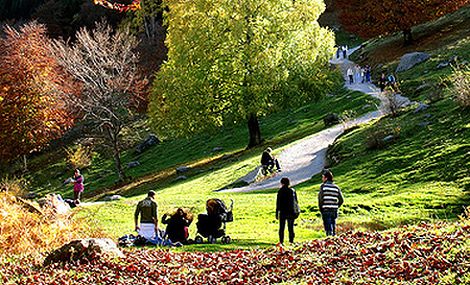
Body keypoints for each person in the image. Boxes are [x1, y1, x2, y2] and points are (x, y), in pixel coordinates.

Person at [318, 170, 344, 236]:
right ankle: (333, 239)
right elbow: (341, 200)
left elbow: (320, 199)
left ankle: (329, 239)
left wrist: (321, 208)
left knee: (328, 228)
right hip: (334, 210)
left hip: (326, 210)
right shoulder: (336, 187)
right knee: (333, 226)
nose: (322, 179)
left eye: (323, 177)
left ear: (326, 178)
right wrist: (336, 206)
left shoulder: (323, 187)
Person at [276, 177, 299, 244]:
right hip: (291, 212)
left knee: (282, 228)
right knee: (291, 228)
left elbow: (278, 203)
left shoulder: (280, 191)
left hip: (283, 212)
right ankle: (291, 240)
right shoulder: (292, 191)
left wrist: (277, 213)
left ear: (282, 183)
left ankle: (281, 241)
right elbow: (296, 202)